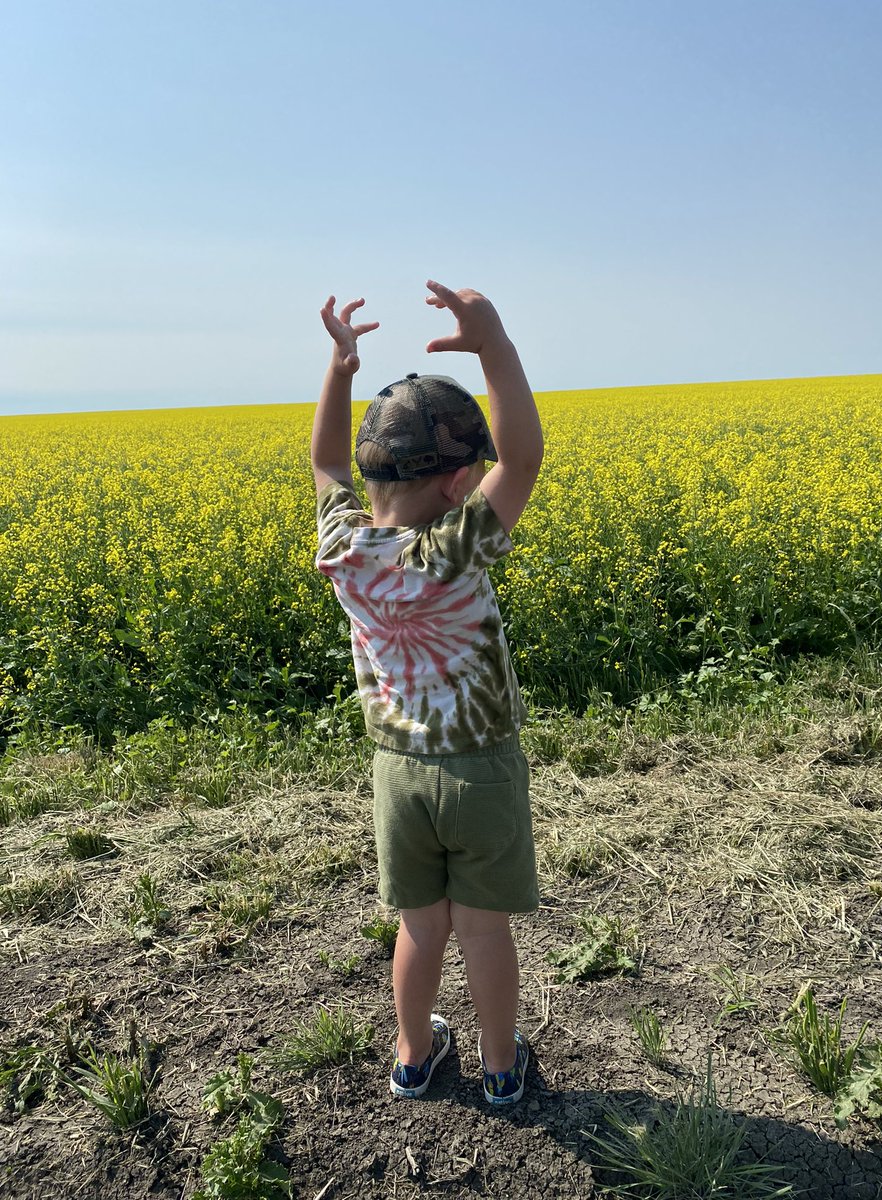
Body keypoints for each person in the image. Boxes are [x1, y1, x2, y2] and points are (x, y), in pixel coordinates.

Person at [310, 280, 544, 1105]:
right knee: (482, 929)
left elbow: (325, 463)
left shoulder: (343, 546)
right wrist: (495, 347)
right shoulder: (454, 547)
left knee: (420, 926)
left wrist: (341, 368)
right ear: (457, 485)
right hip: (479, 766)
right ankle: (501, 1067)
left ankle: (412, 1057)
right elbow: (523, 459)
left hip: (398, 773)